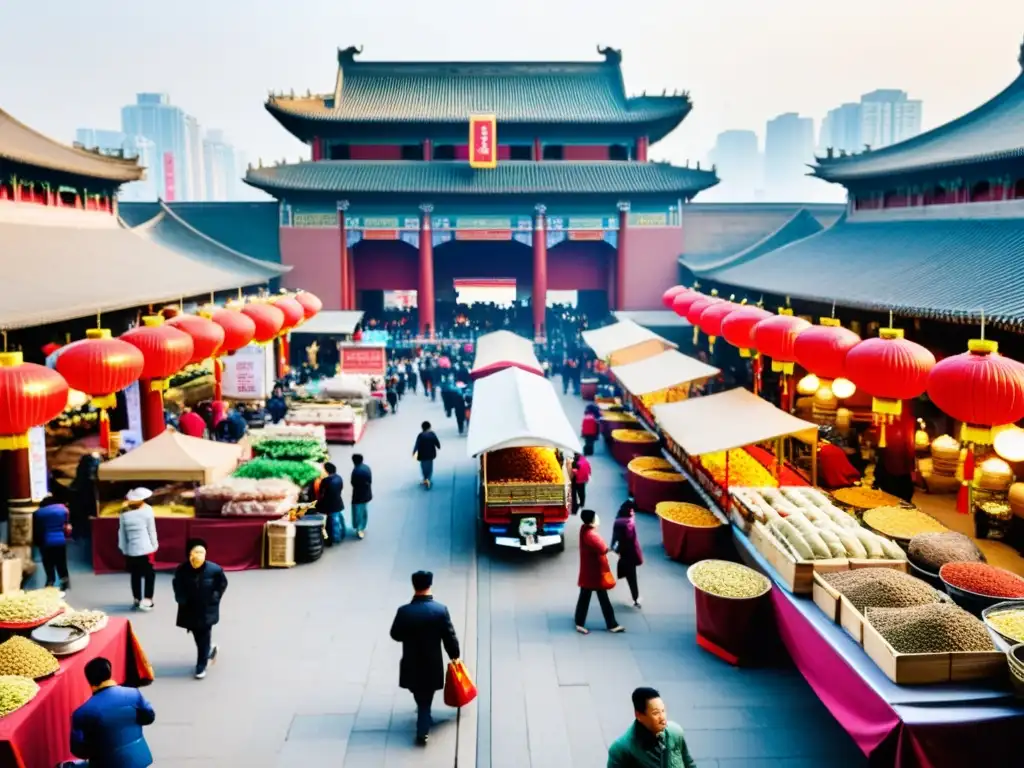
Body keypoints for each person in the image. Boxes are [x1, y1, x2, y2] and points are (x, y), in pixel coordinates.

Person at [389, 571, 461, 746]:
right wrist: (455, 656)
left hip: (411, 663)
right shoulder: (440, 611)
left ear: (414, 586)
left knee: (420, 695)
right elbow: (449, 637)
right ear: (430, 585)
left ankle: (424, 716)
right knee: (425, 698)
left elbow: (395, 635)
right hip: (432, 664)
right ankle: (423, 729)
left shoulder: (404, 611)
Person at [64, 657, 155, 768]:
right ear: (109, 672)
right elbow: (149, 717)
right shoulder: (134, 694)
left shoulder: (82, 713)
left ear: (89, 680)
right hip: (139, 759)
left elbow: (79, 751)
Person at [172, 539, 228, 680]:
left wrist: (215, 597)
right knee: (197, 634)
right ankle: (208, 651)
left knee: (203, 633)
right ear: (189, 554)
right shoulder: (182, 569)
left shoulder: (214, 569)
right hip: (190, 608)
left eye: (202, 552)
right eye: (195, 552)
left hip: (207, 608)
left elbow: (222, 584)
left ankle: (201, 665)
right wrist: (180, 598)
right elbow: (177, 585)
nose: (199, 555)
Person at [607, 687, 697, 768]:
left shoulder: (675, 733)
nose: (662, 718)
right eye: (656, 713)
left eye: (663, 711)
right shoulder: (622, 750)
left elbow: (689, 764)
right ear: (639, 715)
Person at [575, 509, 624, 634]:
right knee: (603, 598)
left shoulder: (584, 530)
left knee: (585, 597)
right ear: (591, 521)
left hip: (589, 570)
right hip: (595, 572)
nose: (598, 519)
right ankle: (612, 624)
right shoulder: (591, 535)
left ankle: (579, 622)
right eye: (596, 517)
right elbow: (602, 548)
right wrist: (613, 549)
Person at [118, 488, 158, 611]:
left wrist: (124, 548)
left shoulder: (124, 513)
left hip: (131, 550)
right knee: (149, 575)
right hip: (146, 548)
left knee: (135, 575)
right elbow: (151, 530)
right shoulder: (148, 511)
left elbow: (122, 534)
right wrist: (154, 545)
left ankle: (136, 599)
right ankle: (148, 599)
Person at [611, 500, 644, 608]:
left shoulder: (618, 520)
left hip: (624, 553)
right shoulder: (629, 522)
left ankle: (635, 597)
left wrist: (616, 550)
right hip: (631, 553)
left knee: (629, 575)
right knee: (632, 577)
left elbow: (615, 539)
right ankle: (635, 598)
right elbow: (629, 539)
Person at [34, 495, 71, 589]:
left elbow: (36, 529)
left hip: (46, 542)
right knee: (61, 562)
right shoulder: (63, 511)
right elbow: (66, 525)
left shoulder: (38, 513)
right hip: (60, 541)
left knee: (48, 562)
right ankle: (65, 580)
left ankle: (50, 581)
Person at [317, 462, 346, 545]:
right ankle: (343, 533)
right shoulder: (339, 478)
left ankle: (336, 538)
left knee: (334, 522)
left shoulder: (325, 481)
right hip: (338, 502)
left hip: (330, 504)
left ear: (326, 471)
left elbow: (321, 494)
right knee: (339, 518)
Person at [413, 421, 441, 489]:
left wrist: (414, 452)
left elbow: (417, 444)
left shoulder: (420, 435)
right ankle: (428, 479)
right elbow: (437, 442)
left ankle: (425, 478)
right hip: (430, 454)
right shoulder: (432, 434)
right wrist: (438, 446)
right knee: (430, 467)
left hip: (422, 455)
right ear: (429, 427)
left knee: (423, 467)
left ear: (422, 427)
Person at [350, 454, 373, 539]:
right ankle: (362, 526)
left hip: (358, 495)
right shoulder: (367, 468)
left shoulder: (356, 471)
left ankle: (359, 529)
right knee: (363, 510)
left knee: (358, 512)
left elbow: (353, 483)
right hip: (366, 494)